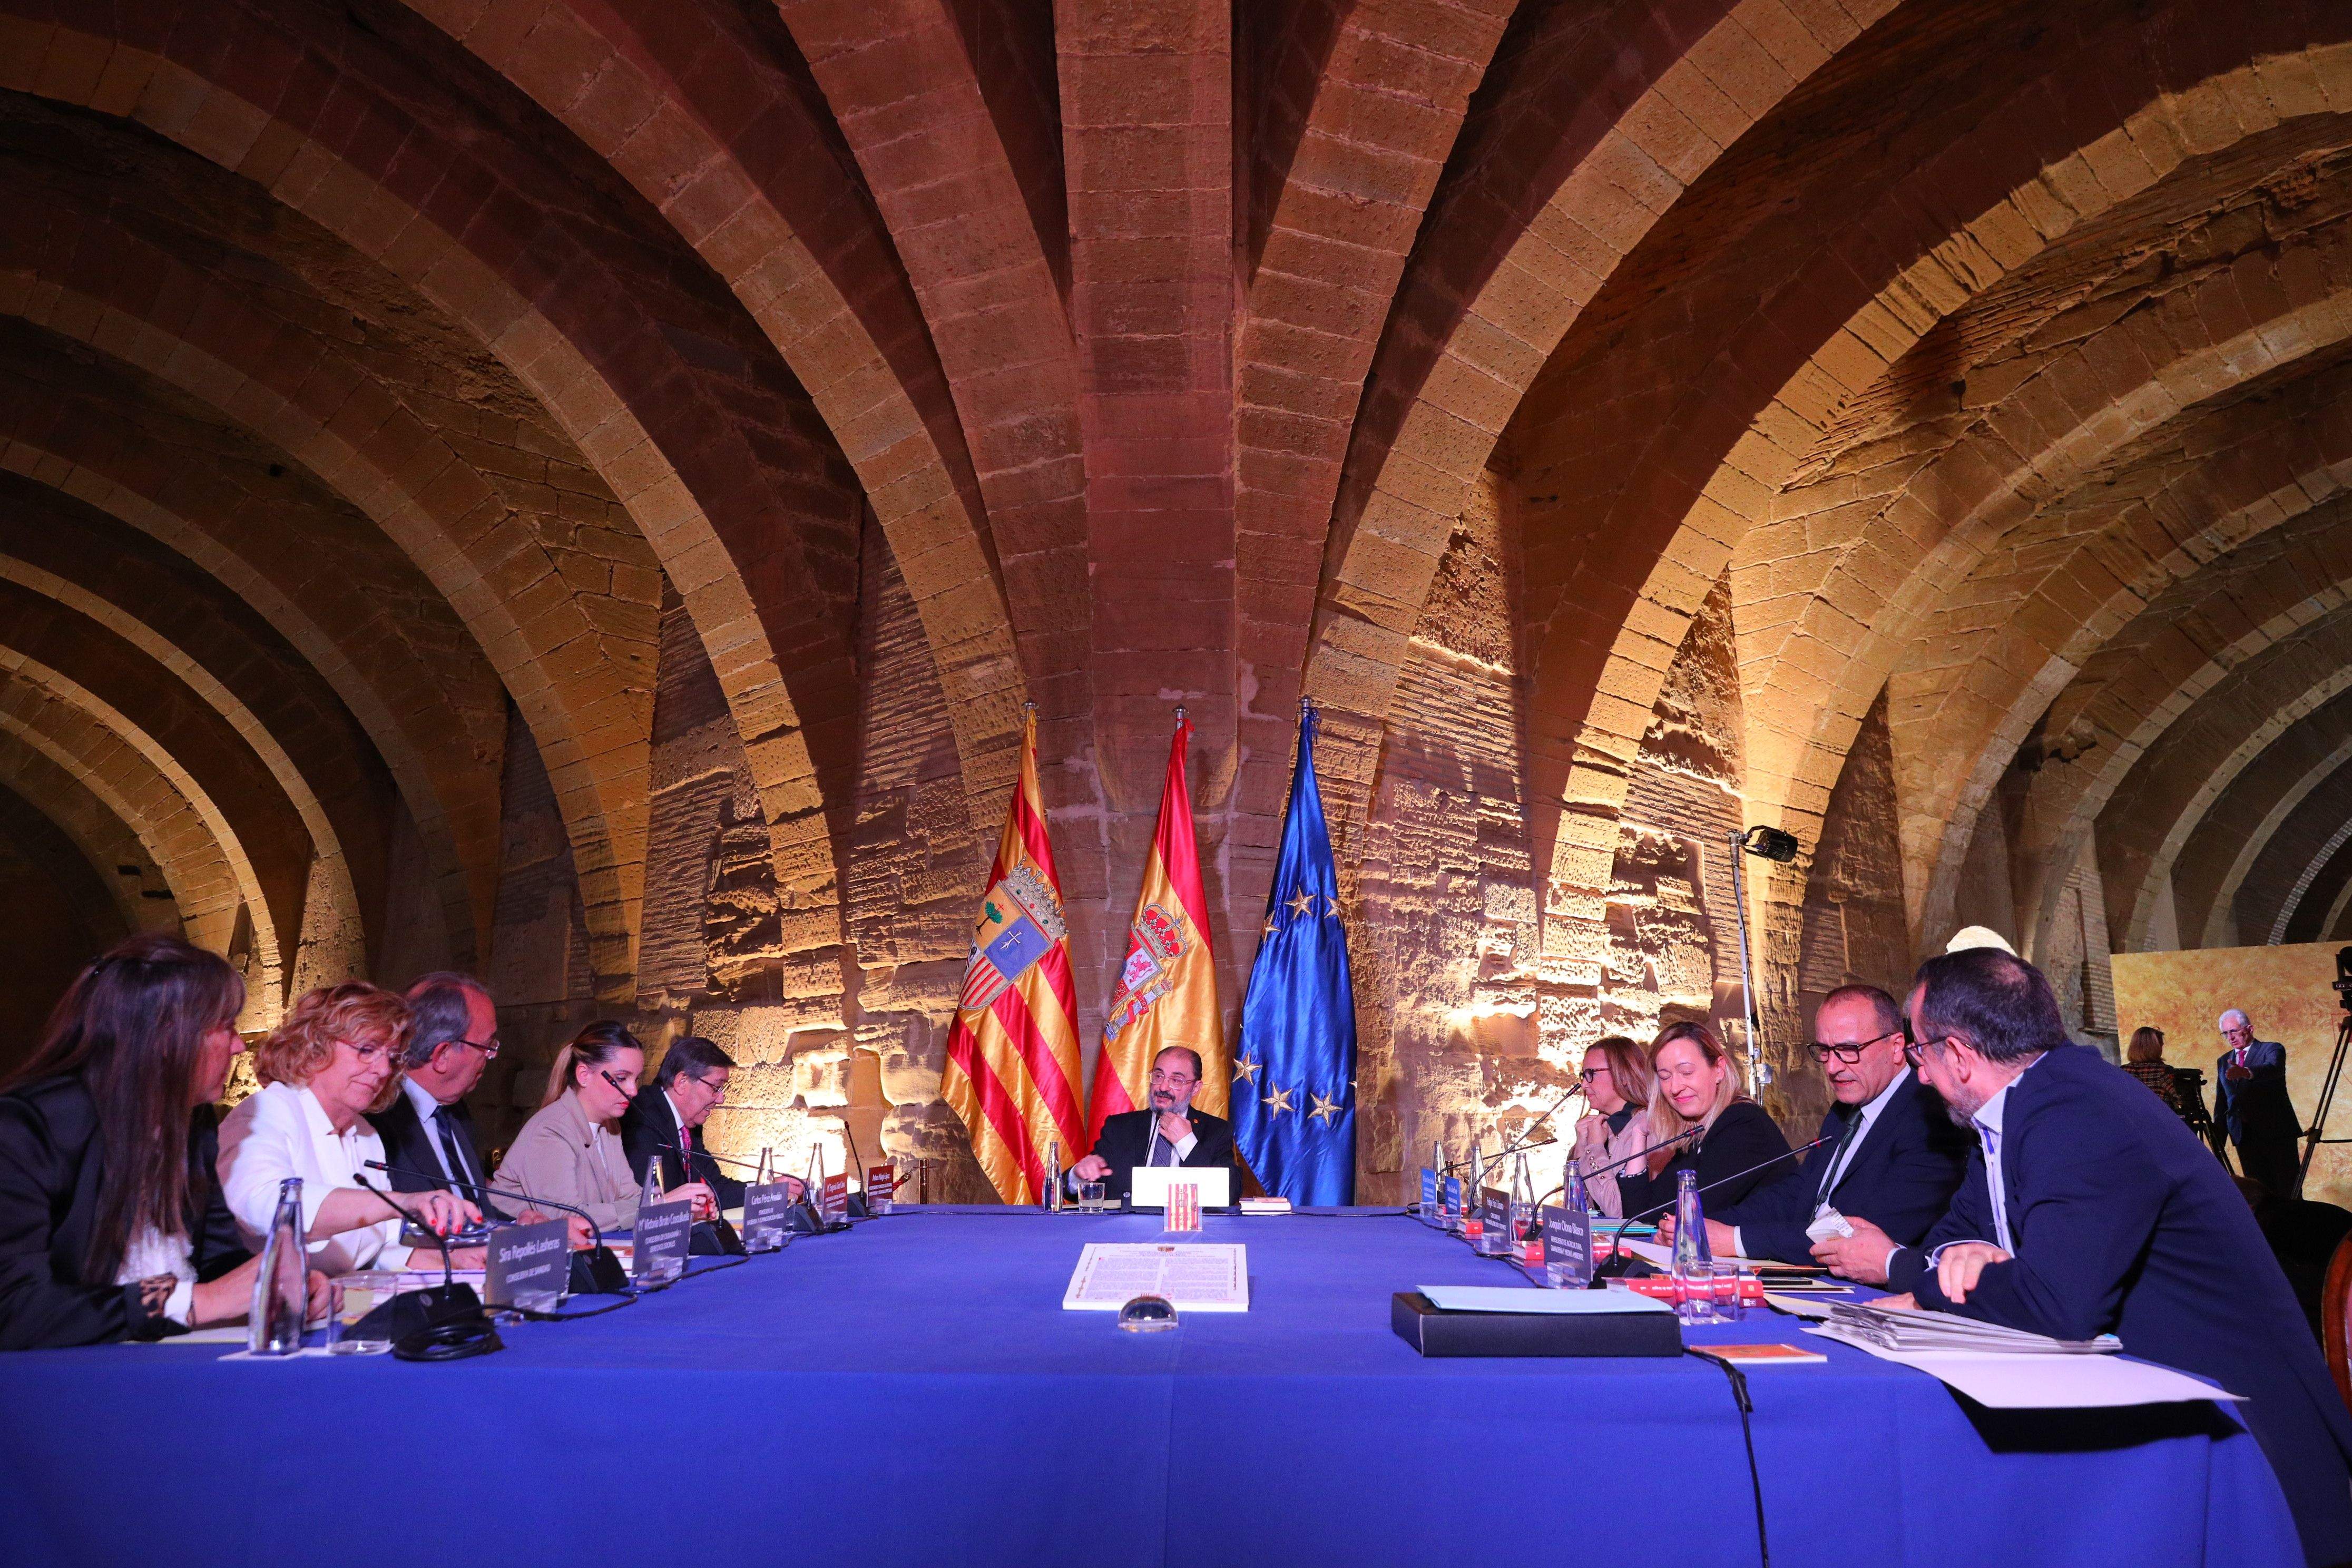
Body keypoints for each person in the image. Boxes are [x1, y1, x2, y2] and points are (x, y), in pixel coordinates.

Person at [1856, 949, 2352, 1567]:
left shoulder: (2076, 1111)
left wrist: (1951, 1282)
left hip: (2247, 1466)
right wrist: (1968, 1255)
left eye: (1920, 1054)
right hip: (2161, 1414)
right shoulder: (2024, 1107)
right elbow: (1951, 1238)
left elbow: (2058, 1305)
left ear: (1956, 1054)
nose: (1922, 1077)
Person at [0, 936, 336, 1348]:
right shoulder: (27, 1127)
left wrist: (273, 1280)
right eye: (226, 1026)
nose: (237, 1045)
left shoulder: (193, 1120)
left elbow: (213, 1261)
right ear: (165, 1036)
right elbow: (14, 1310)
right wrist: (200, 1301)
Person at [1677, 984, 1969, 1268]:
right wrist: (1707, 1223)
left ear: (1895, 1047)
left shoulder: (1932, 1116)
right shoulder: (1844, 1111)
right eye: (1825, 1051)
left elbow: (1863, 1234)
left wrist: (1736, 1240)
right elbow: (1801, 1192)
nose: (1832, 1067)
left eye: (1848, 1049)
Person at [220, 983, 483, 1274]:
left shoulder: (366, 1134)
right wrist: (403, 1201)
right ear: (315, 1045)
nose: (383, 1070)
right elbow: (266, 1206)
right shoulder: (266, 1113)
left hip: (348, 1298)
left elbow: (382, 1249)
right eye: (366, 1050)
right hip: (274, 1307)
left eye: (392, 1057)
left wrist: (454, 1262)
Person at [489, 1022, 712, 1232]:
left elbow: (630, 1196)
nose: (633, 1091)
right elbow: (568, 1218)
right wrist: (660, 1206)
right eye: (622, 1078)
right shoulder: (551, 1130)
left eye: (636, 1079)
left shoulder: (609, 1126)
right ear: (584, 1075)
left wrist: (680, 1209)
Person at [1612, 1022, 1795, 1220]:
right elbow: (1638, 1214)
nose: (1674, 1087)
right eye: (1665, 1077)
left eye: (1687, 1073)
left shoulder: (1743, 1124)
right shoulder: (1698, 1134)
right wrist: (1639, 1134)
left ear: (1718, 1070)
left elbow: (1687, 1217)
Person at [369, 972, 509, 1218]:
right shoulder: (377, 1122)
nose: (491, 1056)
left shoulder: (456, 1111)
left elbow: (477, 1215)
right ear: (442, 1055)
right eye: (487, 1046)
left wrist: (524, 1226)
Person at [622, 1035, 803, 1206]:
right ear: (682, 1081)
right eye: (715, 1088)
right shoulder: (642, 1117)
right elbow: (650, 1198)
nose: (721, 1099)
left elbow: (715, 1189)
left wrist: (767, 1190)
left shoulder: (686, 1123)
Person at [1072, 1046, 1236, 1203]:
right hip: (1126, 1229)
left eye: (1176, 1080)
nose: (1163, 1087)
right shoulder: (1119, 1128)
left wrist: (1187, 1143)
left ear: (1195, 1088)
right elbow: (1084, 1185)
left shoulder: (1217, 1131)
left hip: (1186, 1230)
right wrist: (1079, 1175)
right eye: (1158, 1076)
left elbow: (1231, 1192)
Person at [2217, 1008, 2302, 1197]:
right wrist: (2218, 1141)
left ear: (2250, 1029)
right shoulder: (2224, 1061)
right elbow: (2223, 1102)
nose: (2230, 1037)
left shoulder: (2272, 1049)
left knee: (2288, 1193)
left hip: (2277, 1134)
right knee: (2258, 1196)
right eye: (2225, 1033)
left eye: (2234, 1031)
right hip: (2244, 1138)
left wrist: (2245, 1072)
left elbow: (2273, 1069)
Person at [1569, 1035, 1653, 1217]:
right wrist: (1581, 1151)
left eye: (1592, 1074)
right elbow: (1576, 1211)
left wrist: (1595, 1149)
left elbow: (1618, 1212)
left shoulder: (1644, 1127)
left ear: (1623, 1075)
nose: (1584, 1084)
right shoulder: (1599, 1126)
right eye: (1583, 1075)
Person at [2123, 1025, 2181, 1113]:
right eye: (2161, 1046)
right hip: (2161, 1123)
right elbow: (2182, 1100)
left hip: (2131, 1124)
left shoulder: (2123, 1072)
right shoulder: (2164, 1072)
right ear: (2156, 1048)